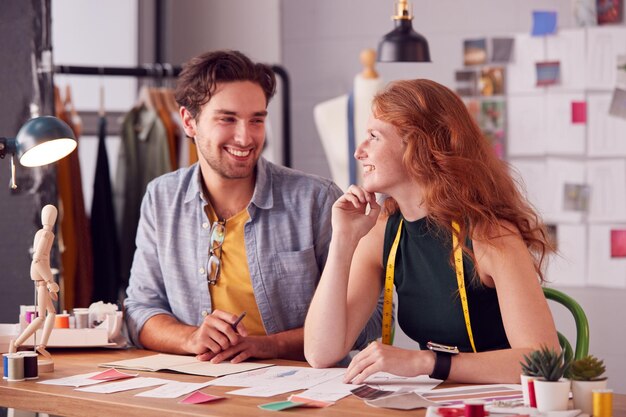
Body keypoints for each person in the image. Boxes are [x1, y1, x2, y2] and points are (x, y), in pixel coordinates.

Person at [124, 50, 382, 364]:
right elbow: (139, 309)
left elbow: (372, 321)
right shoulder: (161, 198)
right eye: (227, 119)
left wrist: (269, 346)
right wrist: (190, 337)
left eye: (256, 120)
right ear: (189, 121)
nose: (245, 137)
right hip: (199, 389)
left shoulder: (316, 200)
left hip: (301, 392)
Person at [304, 79, 560, 384]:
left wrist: (425, 361)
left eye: (374, 137)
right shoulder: (384, 233)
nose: (359, 151)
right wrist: (342, 242)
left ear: (419, 147)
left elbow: (542, 362)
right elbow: (321, 353)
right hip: (440, 398)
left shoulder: (490, 236)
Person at [314, 48, 384, 191]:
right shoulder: (326, 112)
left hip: (396, 211)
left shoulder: (403, 114)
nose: (359, 152)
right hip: (345, 208)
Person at [10, 204, 59, 369]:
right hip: (41, 277)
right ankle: (16, 343)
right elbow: (37, 259)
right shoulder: (46, 234)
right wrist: (50, 281)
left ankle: (41, 346)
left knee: (51, 312)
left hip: (41, 276)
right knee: (41, 317)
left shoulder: (41, 233)